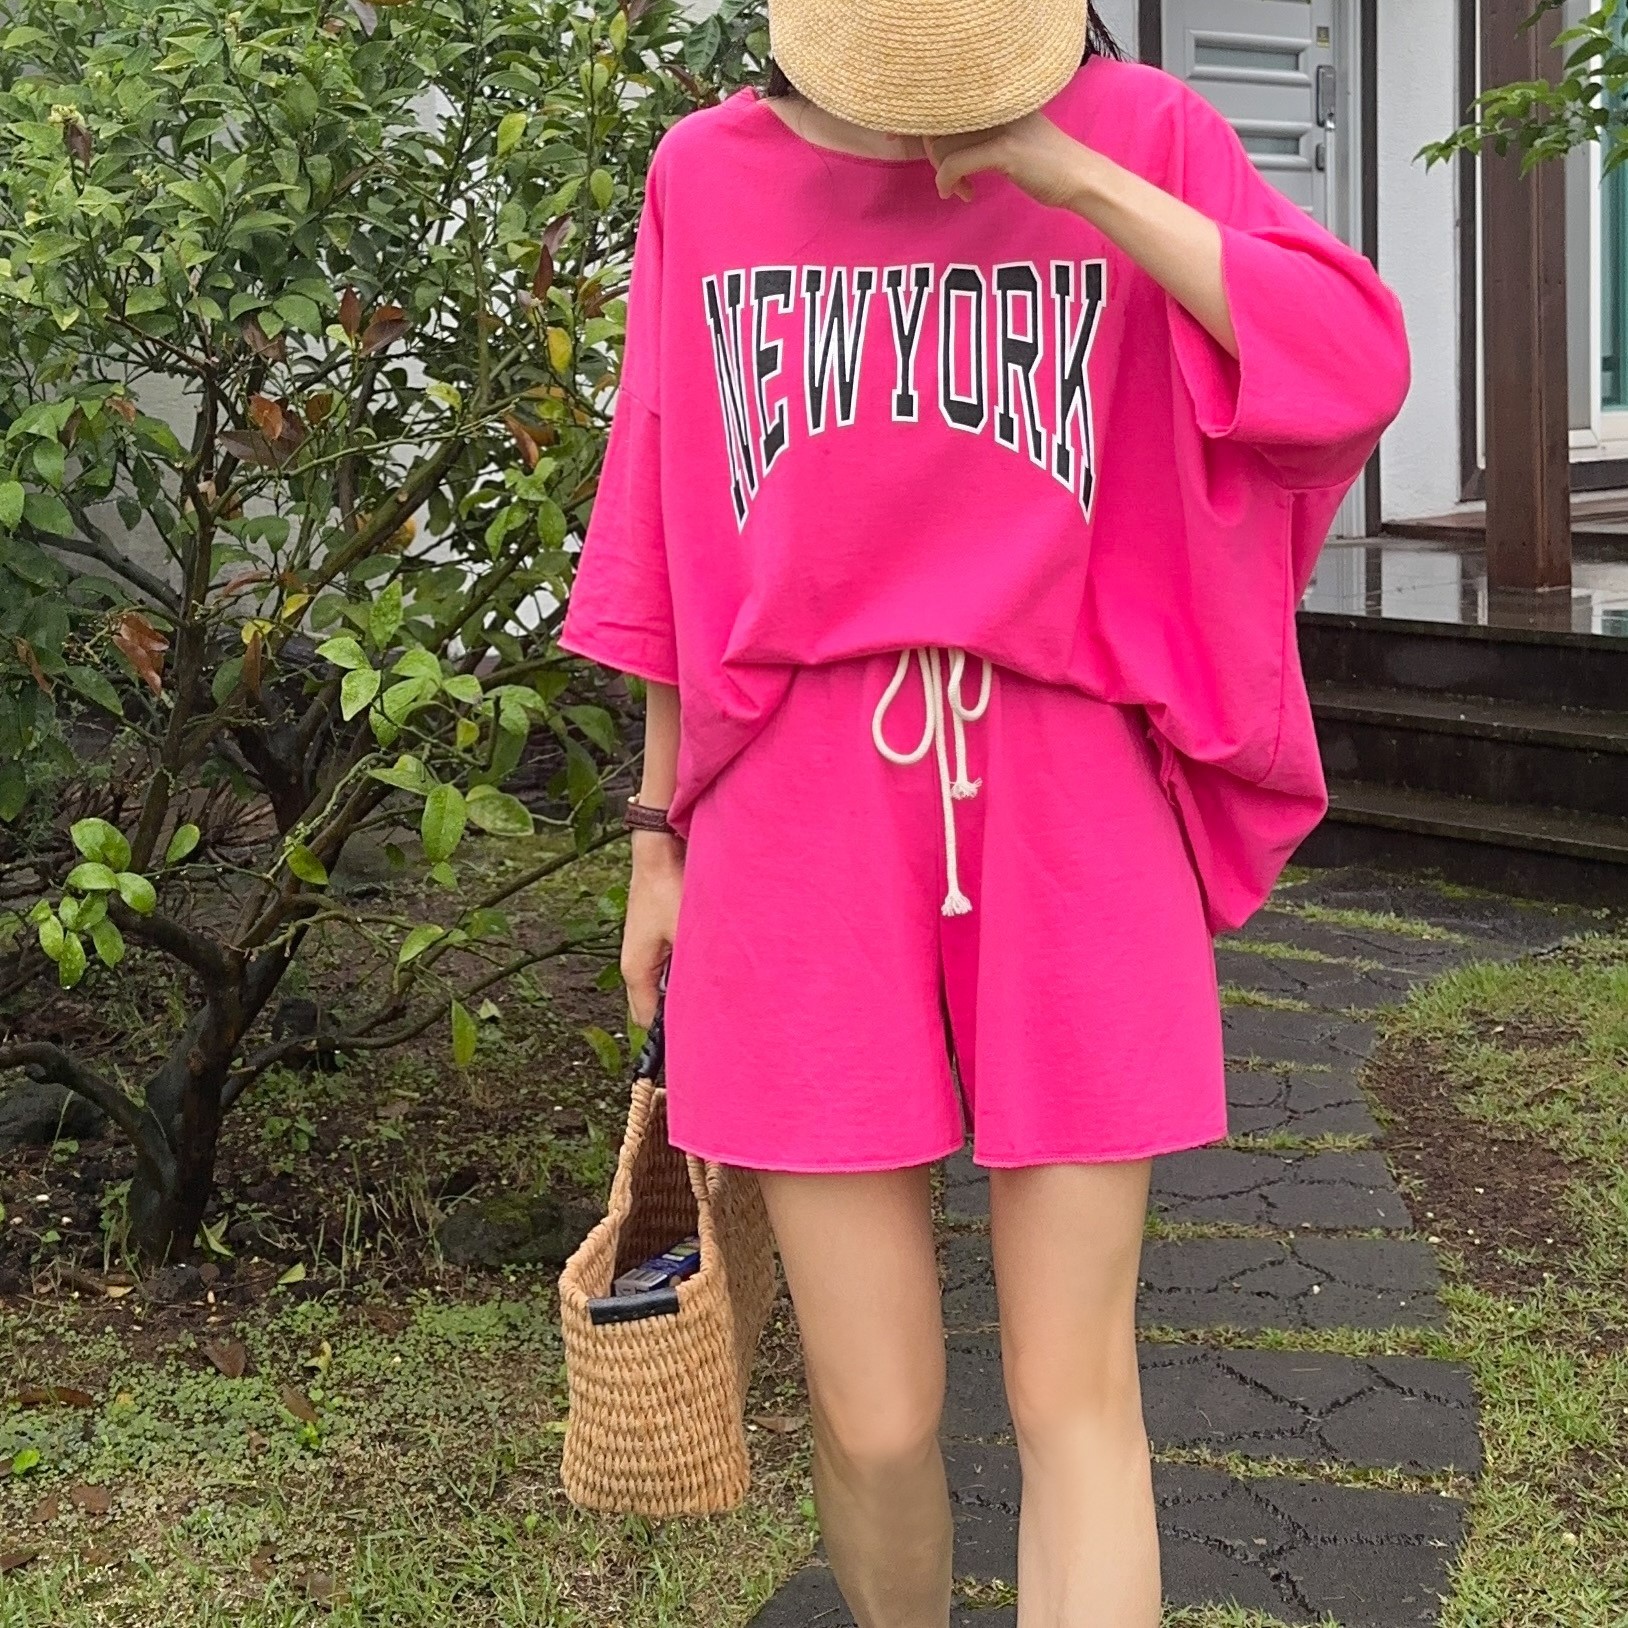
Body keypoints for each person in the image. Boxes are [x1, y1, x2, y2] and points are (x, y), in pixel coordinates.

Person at [560, 1, 1410, 1622]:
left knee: (1070, 1386)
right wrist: (654, 836)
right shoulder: (707, 176)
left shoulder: (1146, 133)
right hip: (797, 805)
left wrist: (1066, 173)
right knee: (874, 1411)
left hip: (1069, 788)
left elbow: (1351, 362)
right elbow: (664, 508)